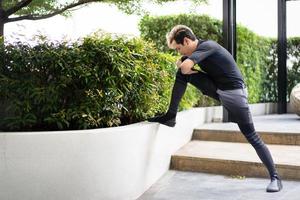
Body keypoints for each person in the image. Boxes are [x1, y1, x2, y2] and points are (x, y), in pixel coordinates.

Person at [148, 25, 282, 192]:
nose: (179, 52)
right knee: (182, 74)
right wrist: (183, 62)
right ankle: (170, 116)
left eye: (179, 48)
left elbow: (184, 65)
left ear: (187, 41)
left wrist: (183, 62)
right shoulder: (198, 50)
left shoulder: (208, 46)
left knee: (252, 136)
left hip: (235, 95)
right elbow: (184, 67)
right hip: (218, 88)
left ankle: (275, 177)